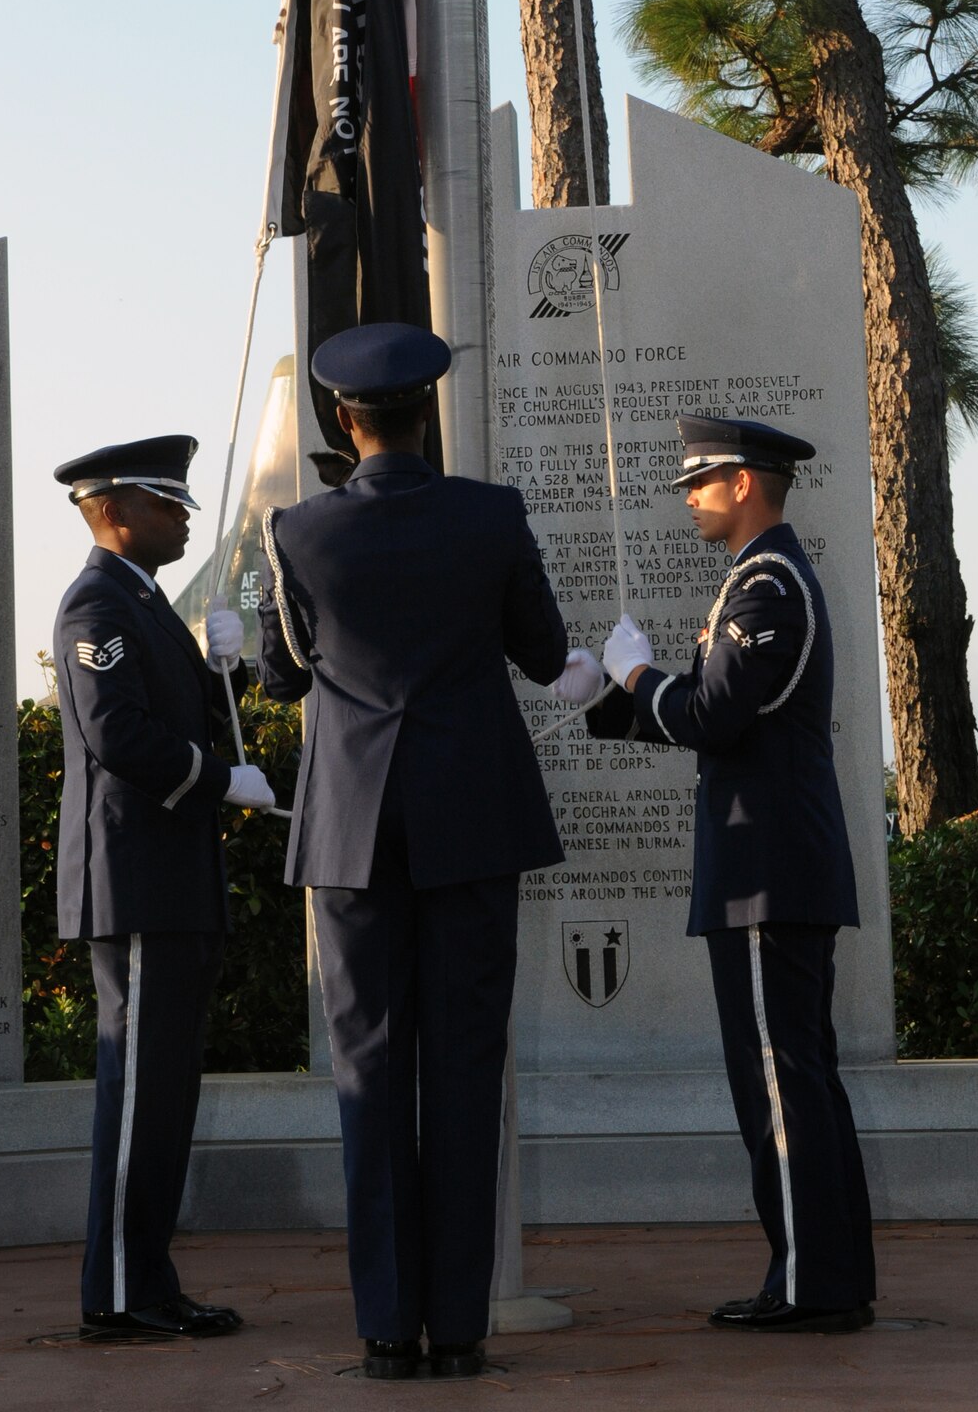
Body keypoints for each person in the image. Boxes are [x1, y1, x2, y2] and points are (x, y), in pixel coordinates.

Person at [257, 323, 579, 1380]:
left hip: (351, 827)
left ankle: (387, 1325)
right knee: (464, 1063)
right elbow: (538, 652)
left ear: (344, 422)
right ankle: (457, 1321)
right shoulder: (490, 516)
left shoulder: (297, 531)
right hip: (470, 815)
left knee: (369, 1067)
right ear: (422, 413)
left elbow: (284, 675)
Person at [586, 414, 875, 1333]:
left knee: (780, 1082)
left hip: (766, 872)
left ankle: (808, 1285)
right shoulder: (758, 580)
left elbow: (713, 716)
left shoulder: (768, 587)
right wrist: (604, 697)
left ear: (746, 482)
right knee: (796, 1077)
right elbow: (721, 716)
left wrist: (635, 681)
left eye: (701, 479)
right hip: (769, 867)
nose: (690, 495)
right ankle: (826, 1276)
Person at [52, 434, 277, 1342]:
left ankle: (143, 1278)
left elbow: (169, 710)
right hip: (138, 884)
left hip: (170, 882)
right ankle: (117, 1293)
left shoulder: (139, 605)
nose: (183, 516)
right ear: (113, 512)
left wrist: (220, 664)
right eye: (166, 503)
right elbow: (118, 737)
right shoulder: (95, 606)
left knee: (166, 1090)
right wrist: (220, 780)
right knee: (141, 1093)